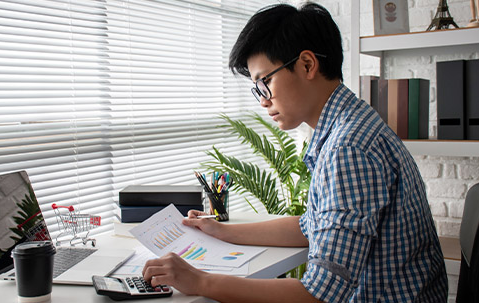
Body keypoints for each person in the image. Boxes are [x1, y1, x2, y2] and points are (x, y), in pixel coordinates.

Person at [142, 3, 448, 302]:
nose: (262, 101)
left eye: (265, 82)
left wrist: (200, 281)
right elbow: (310, 226)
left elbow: (318, 294)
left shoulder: (347, 149)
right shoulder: (350, 123)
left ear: (307, 65)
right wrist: (221, 231)